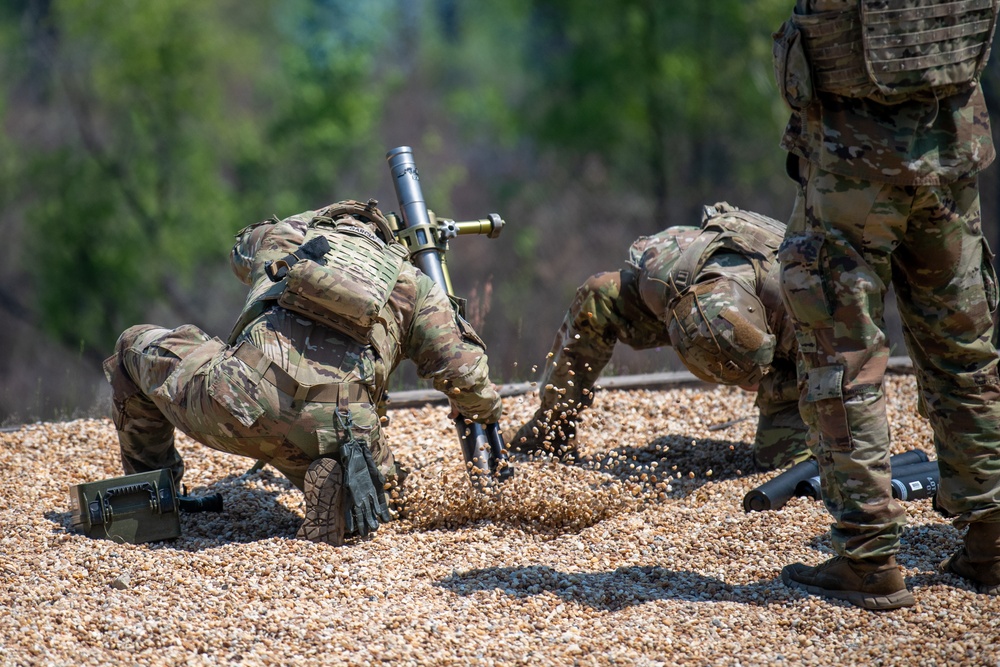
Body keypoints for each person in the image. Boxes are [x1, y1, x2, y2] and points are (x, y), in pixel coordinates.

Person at [772, 0, 1000, 609]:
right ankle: (991, 538)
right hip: (950, 141)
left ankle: (868, 559)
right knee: (965, 346)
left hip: (854, 157)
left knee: (842, 361)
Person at [103, 199, 502, 546]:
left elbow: (240, 253)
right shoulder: (415, 286)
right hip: (336, 434)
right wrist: (488, 412)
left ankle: (155, 500)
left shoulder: (291, 234)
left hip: (238, 401)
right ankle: (345, 493)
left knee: (132, 345)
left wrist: (293, 227)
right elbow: (465, 377)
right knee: (383, 499)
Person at [511, 201, 813, 472]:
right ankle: (551, 428)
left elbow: (853, 375)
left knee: (786, 463)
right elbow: (608, 293)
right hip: (693, 299)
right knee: (599, 295)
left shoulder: (810, 310)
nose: (744, 387)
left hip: (803, 352)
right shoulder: (664, 277)